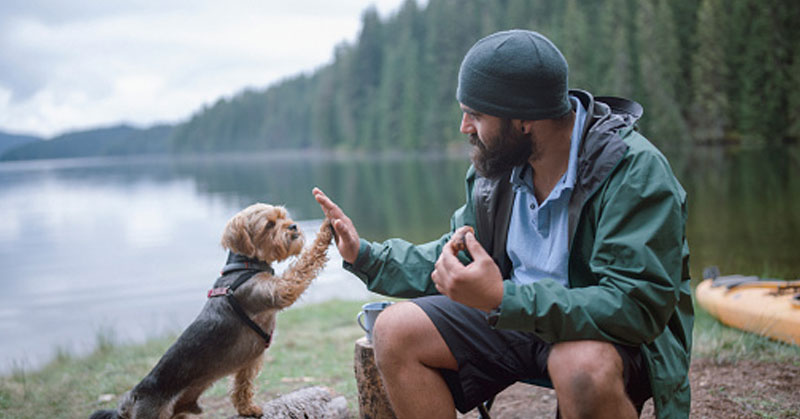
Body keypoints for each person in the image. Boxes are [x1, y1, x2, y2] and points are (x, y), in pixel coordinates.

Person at [314, 29, 691, 419]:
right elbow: (457, 252)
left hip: (607, 337)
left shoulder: (632, 171)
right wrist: (367, 256)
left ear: (524, 119)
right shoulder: (498, 165)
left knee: (580, 370)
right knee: (394, 331)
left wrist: (502, 299)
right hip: (514, 317)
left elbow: (634, 307)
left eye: (475, 114)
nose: (465, 127)